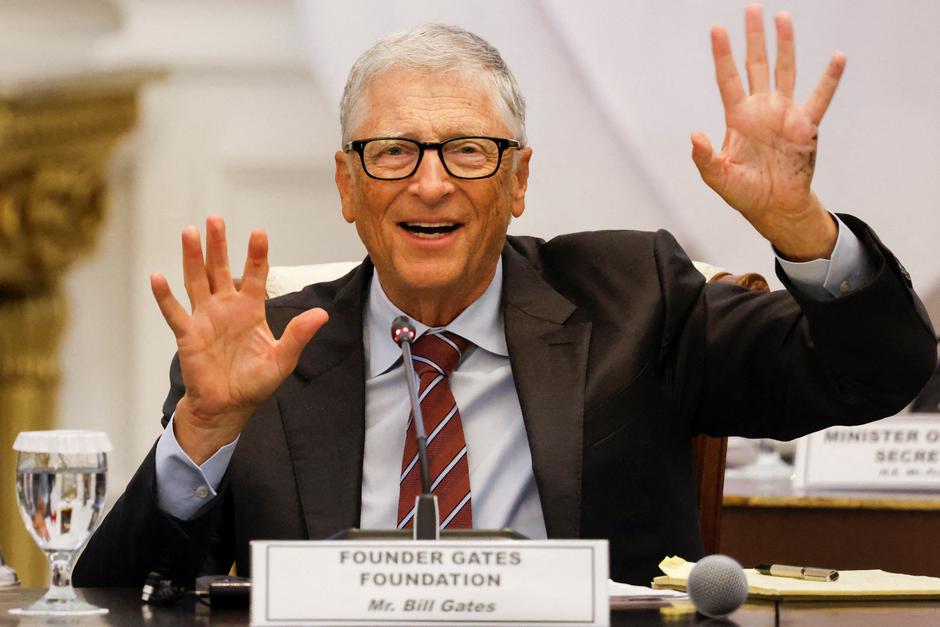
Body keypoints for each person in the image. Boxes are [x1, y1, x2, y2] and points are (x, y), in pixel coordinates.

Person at [74, 6, 935, 586]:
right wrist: (203, 434)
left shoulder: (635, 300)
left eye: (470, 151)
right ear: (346, 186)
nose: (432, 185)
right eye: (394, 152)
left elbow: (874, 375)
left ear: (519, 181)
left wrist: (802, 228)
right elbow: (121, 596)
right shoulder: (262, 356)